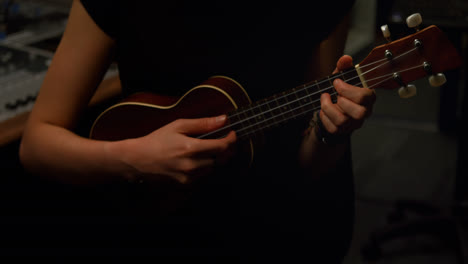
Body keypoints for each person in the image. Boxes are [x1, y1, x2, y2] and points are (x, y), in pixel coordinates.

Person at [19, 0, 376, 260]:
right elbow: (37, 144)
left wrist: (331, 131)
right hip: (163, 222)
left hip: (279, 227)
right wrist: (136, 158)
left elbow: (308, 162)